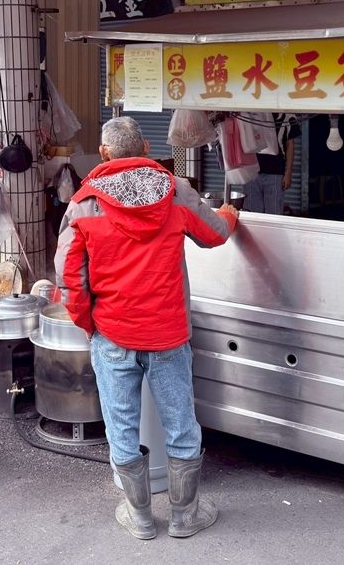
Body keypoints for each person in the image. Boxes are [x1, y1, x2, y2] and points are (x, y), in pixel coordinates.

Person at [55, 116, 239, 540]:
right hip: (168, 334)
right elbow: (213, 234)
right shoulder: (176, 191)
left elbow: (70, 279)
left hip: (113, 334)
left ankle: (139, 517)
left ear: (105, 154)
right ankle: (184, 515)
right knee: (181, 425)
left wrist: (90, 326)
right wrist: (230, 214)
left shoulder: (84, 204)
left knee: (121, 425)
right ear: (145, 148)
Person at [243, 113, 300, 215]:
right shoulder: (249, 112)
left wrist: (288, 173)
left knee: (274, 214)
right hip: (251, 171)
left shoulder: (287, 116)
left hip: (276, 172)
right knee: (252, 214)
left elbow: (290, 144)